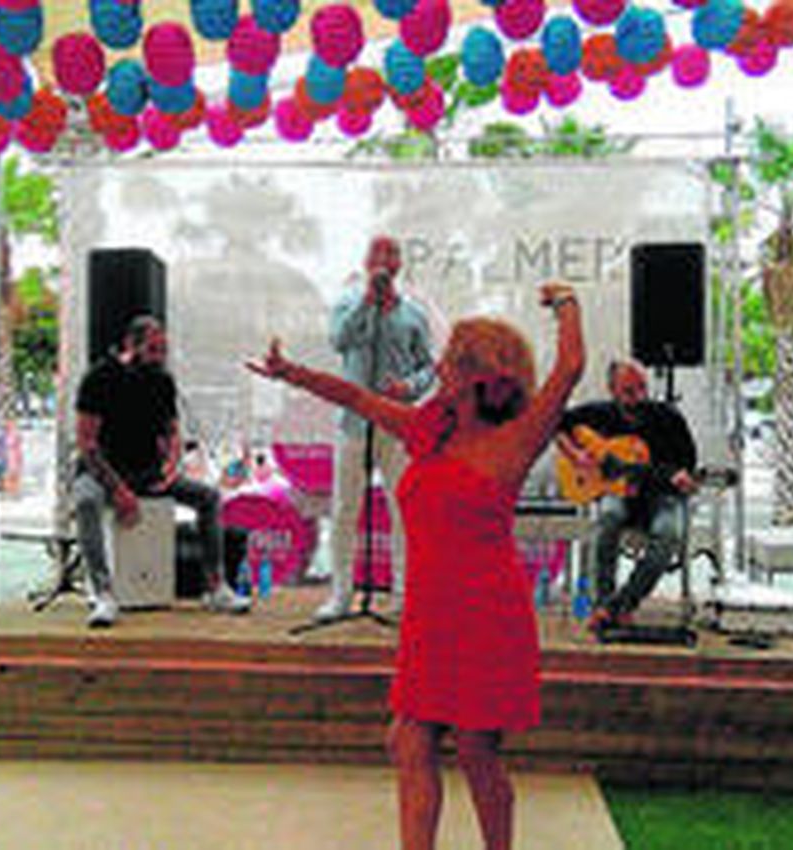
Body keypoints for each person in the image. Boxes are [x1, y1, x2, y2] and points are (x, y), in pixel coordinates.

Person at [248, 281, 584, 850]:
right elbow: (356, 400)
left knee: (478, 751)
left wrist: (566, 302)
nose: (441, 370)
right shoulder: (428, 429)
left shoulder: (516, 440)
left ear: (480, 376)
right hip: (432, 614)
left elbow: (570, 366)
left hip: (487, 615)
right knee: (408, 740)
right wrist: (291, 373)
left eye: (452, 362)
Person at [73, 314, 249, 627]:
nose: (160, 357)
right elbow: (87, 444)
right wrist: (118, 490)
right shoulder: (99, 377)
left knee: (208, 497)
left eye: (163, 350)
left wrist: (171, 465)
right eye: (153, 350)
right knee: (86, 501)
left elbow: (172, 433)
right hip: (102, 471)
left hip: (146, 471)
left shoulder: (162, 380)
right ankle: (103, 593)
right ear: (131, 345)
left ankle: (215, 586)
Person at [321, 235, 436, 620]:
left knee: (403, 509)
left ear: (400, 264)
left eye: (391, 254)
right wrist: (367, 302)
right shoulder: (347, 303)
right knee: (344, 509)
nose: (384, 260)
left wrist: (410, 387)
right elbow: (339, 340)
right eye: (377, 253)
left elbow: (428, 367)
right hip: (353, 423)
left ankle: (404, 596)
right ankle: (340, 595)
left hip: (397, 423)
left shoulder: (414, 314)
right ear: (367, 261)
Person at [556, 358, 699, 633]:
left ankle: (618, 605)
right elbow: (559, 424)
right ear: (613, 391)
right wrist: (575, 456)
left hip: (661, 495)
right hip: (617, 492)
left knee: (669, 533)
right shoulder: (600, 413)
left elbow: (687, 464)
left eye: (642, 388)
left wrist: (683, 479)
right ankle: (603, 601)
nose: (639, 397)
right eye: (629, 391)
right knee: (609, 516)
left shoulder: (668, 417)